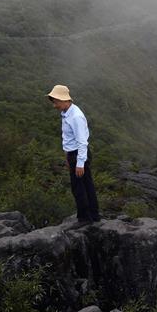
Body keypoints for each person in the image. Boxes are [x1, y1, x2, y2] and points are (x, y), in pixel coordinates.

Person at [48, 84, 100, 224]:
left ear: (65, 100)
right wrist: (67, 156)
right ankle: (94, 216)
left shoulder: (75, 116)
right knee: (86, 185)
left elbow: (82, 142)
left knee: (78, 187)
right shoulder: (67, 113)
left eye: (56, 102)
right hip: (73, 154)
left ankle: (84, 219)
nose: (55, 105)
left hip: (79, 154)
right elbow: (68, 139)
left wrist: (80, 163)